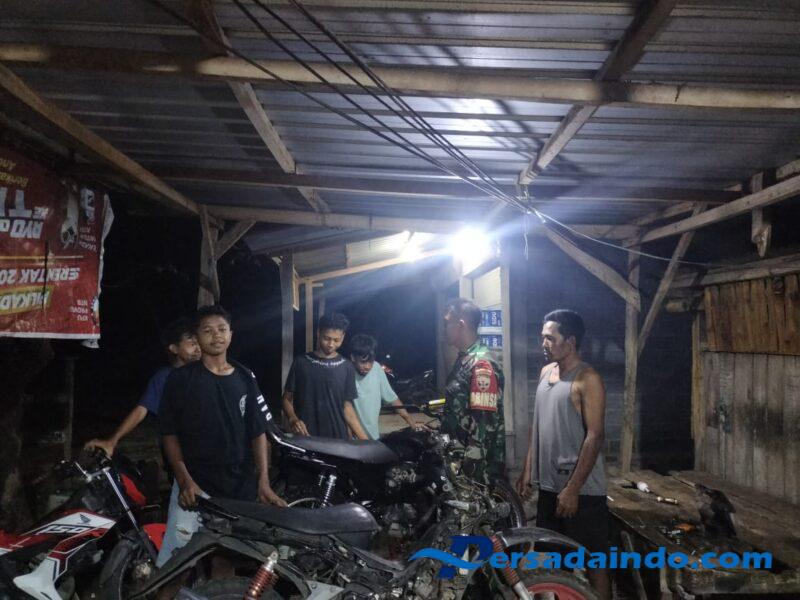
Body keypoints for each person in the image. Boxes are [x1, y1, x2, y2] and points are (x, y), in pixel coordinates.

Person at [156, 305, 285, 568]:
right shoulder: (181, 379)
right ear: (197, 338)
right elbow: (169, 433)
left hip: (238, 488)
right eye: (207, 331)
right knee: (176, 565)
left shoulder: (245, 377)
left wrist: (263, 480)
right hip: (195, 487)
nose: (216, 335)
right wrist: (184, 480)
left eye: (222, 329)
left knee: (225, 561)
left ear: (231, 334)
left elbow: (257, 432)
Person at [516, 309, 610, 600]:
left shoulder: (587, 379)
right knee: (553, 561)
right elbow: (537, 424)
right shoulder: (546, 372)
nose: (543, 343)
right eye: (543, 337)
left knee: (595, 561)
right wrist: (528, 469)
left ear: (570, 342)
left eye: (550, 338)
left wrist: (573, 489)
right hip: (550, 487)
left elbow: (595, 436)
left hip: (582, 491)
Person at [84, 317, 200, 457]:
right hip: (180, 452)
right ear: (174, 348)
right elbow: (141, 410)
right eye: (192, 343)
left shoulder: (207, 372)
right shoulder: (164, 377)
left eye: (198, 342)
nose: (198, 348)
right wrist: (112, 441)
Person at [441, 298, 505, 485]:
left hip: (475, 467)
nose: (444, 329)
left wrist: (470, 466)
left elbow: (483, 423)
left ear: (460, 325)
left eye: (447, 323)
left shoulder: (481, 364)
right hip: (458, 455)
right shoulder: (465, 359)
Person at [282, 312, 369, 440]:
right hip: (307, 437)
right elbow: (286, 399)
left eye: (336, 340)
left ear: (343, 337)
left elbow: (347, 407)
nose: (331, 344)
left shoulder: (347, 366)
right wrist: (293, 419)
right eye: (326, 338)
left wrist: (366, 441)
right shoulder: (301, 362)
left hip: (338, 438)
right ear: (318, 333)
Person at [348, 333, 420, 439]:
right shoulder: (346, 372)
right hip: (354, 441)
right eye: (363, 362)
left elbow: (392, 398)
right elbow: (345, 412)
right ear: (353, 358)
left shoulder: (376, 368)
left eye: (370, 362)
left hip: (373, 438)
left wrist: (412, 424)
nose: (367, 366)